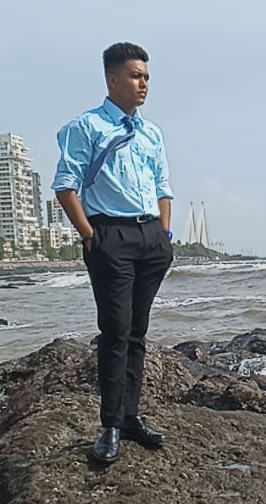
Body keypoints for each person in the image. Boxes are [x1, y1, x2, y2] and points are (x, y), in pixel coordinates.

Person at [52, 41, 174, 463]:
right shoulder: (85, 127)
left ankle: (130, 417)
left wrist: (164, 234)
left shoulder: (151, 133)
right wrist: (90, 235)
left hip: (150, 238)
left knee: (137, 331)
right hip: (110, 236)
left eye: (147, 77)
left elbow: (163, 186)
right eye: (136, 76)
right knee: (115, 331)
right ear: (112, 79)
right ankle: (109, 426)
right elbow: (65, 186)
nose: (144, 84)